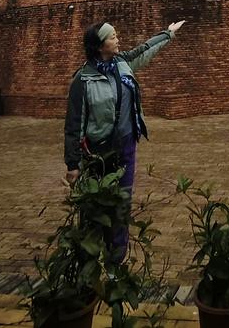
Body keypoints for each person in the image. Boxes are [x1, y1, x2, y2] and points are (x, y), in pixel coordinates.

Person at [64, 19, 186, 259]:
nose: (117, 39)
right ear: (100, 45)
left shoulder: (123, 63)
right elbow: (74, 123)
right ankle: (88, 258)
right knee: (95, 205)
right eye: (112, 37)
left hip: (126, 146)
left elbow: (144, 49)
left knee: (122, 202)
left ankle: (116, 258)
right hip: (97, 152)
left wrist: (168, 33)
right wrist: (72, 163)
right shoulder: (83, 79)